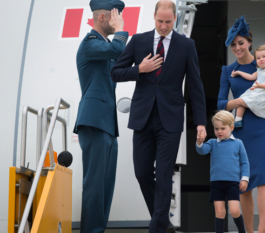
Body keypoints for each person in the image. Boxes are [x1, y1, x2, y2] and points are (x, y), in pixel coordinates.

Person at [111, 0, 207, 232]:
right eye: (160, 21)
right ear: (153, 17)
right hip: (143, 118)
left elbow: (195, 85)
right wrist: (139, 69)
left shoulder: (186, 45)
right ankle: (164, 223)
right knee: (142, 173)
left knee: (164, 176)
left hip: (170, 120)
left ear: (175, 19)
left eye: (168, 22)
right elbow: (115, 72)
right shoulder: (139, 41)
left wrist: (202, 122)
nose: (164, 26)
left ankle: (156, 228)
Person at [72, 0, 128, 232]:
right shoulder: (90, 44)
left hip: (106, 124)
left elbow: (119, 66)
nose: (118, 20)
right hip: (94, 122)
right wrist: (121, 29)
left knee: (105, 186)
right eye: (115, 16)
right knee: (95, 185)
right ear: (103, 18)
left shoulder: (104, 47)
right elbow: (117, 49)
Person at [217, 16, 265, 233]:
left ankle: (262, 229)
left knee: (263, 179)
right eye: (233, 45)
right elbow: (222, 104)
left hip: (262, 127)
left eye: (240, 43)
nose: (237, 48)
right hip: (239, 131)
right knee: (244, 184)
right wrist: (240, 101)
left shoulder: (263, 63)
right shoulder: (227, 70)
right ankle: (248, 231)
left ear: (249, 42)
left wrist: (251, 100)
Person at [196, 110, 249, 233]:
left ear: (231, 127)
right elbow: (202, 150)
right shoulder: (212, 143)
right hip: (216, 183)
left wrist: (245, 179)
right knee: (219, 212)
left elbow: (244, 163)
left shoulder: (238, 143)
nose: (219, 131)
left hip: (233, 183)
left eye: (222, 128)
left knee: (235, 211)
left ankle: (242, 231)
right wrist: (199, 143)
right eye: (216, 128)